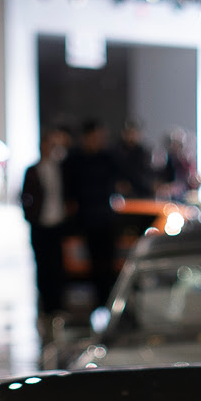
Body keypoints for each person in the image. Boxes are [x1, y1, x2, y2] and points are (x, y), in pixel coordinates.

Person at [61, 121, 127, 307]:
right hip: (88, 220)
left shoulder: (107, 157)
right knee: (96, 265)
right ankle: (101, 303)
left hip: (105, 219)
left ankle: (109, 303)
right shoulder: (75, 160)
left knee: (109, 263)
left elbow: (127, 175)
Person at [19, 129, 73, 355]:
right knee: (43, 266)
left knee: (57, 266)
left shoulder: (61, 169)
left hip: (57, 224)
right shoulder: (33, 170)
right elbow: (25, 196)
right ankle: (47, 306)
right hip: (41, 224)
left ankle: (57, 306)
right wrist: (31, 215)